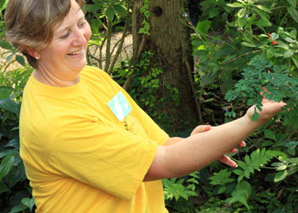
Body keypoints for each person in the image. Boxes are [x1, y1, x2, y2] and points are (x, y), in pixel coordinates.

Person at [4, 0, 285, 212]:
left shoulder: (90, 77)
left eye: (81, 23)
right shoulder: (55, 124)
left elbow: (161, 146)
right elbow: (163, 163)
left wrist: (205, 144)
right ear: (34, 49)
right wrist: (253, 119)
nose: (81, 39)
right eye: (64, 34)